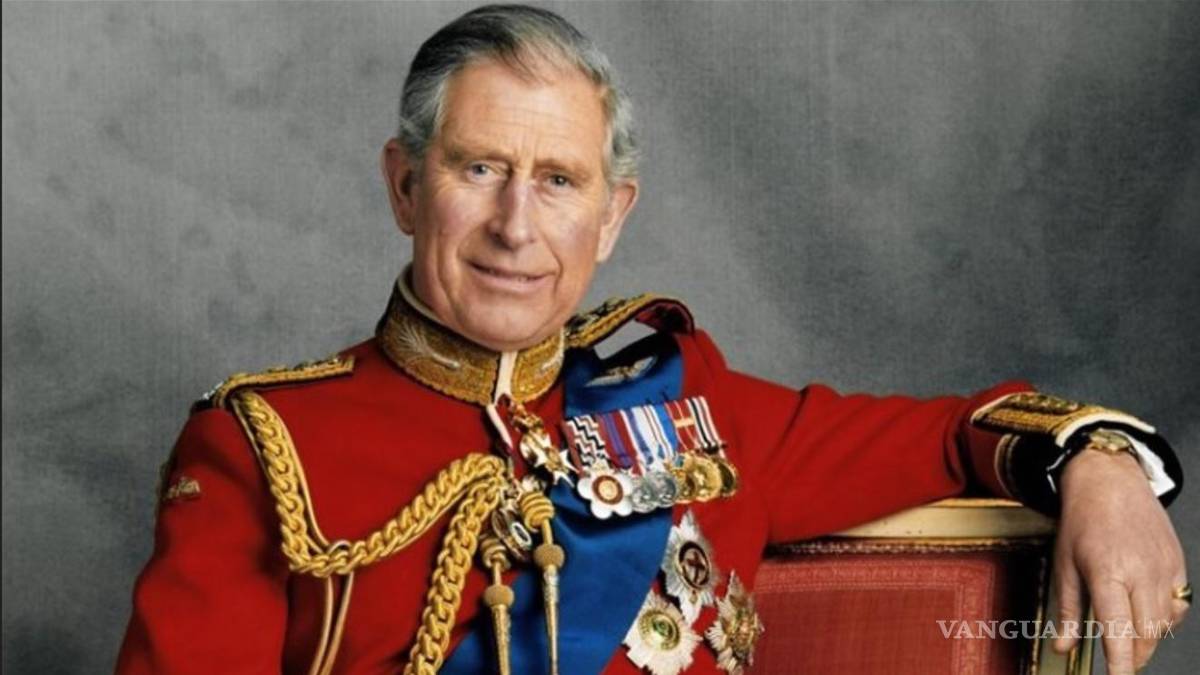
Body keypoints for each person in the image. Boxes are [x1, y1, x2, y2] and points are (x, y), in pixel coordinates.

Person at [115, 5, 1189, 675]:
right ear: (405, 186)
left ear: (612, 217)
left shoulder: (690, 402)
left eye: (558, 181)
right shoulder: (262, 445)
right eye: (480, 169)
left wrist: (1098, 465)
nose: (516, 227)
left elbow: (956, 434)